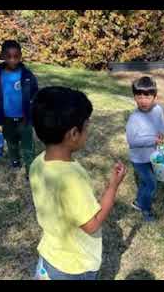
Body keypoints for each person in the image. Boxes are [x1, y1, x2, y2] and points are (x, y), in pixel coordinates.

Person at [29, 86, 127, 280]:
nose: (88, 131)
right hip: (74, 267)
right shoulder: (72, 177)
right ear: (73, 134)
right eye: (87, 126)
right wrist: (112, 186)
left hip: (50, 257)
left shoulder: (37, 163)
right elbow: (92, 225)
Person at [0, 40, 38, 179]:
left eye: (16, 56)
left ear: (20, 56)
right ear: (3, 56)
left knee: (28, 145)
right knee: (11, 141)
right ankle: (15, 161)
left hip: (24, 118)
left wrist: (35, 112)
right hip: (6, 118)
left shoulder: (27, 75)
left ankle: (31, 170)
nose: (12, 60)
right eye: (8, 56)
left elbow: (35, 94)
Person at [126, 77, 164, 222]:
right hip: (139, 159)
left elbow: (162, 124)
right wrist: (152, 140)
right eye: (139, 96)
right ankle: (146, 209)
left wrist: (161, 134)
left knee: (146, 182)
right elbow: (132, 141)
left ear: (155, 96)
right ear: (134, 97)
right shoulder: (134, 119)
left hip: (153, 155)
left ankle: (138, 202)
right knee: (151, 183)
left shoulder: (158, 110)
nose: (143, 100)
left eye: (147, 96)